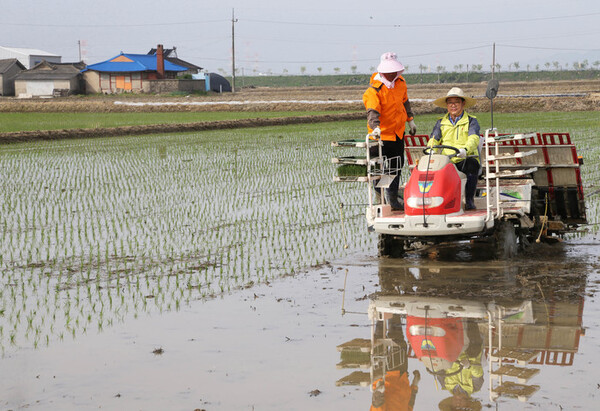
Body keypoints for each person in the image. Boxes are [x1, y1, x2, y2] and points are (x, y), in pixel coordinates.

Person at [363, 52, 416, 211]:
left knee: (395, 166)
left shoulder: (401, 83)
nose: (392, 74)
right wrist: (376, 128)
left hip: (397, 133)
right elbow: (372, 112)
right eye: (389, 72)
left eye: (394, 72)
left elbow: (405, 102)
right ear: (382, 72)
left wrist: (411, 120)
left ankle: (392, 198)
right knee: (377, 168)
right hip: (379, 136)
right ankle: (380, 199)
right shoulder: (374, 90)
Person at [427, 87, 481, 210]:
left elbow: (474, 138)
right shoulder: (441, 122)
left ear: (463, 103)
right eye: (450, 102)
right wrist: (431, 149)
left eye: (456, 102)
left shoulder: (471, 121)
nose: (453, 105)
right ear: (446, 105)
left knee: (473, 165)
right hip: (447, 160)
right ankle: (434, 203)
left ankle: (469, 201)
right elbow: (434, 139)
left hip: (465, 157)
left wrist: (465, 150)